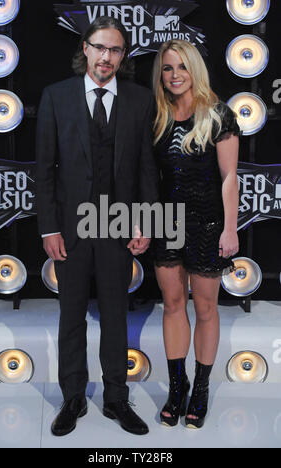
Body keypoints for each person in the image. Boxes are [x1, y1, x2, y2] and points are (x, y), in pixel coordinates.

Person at [36, 16, 159, 437]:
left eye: (116, 50)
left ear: (123, 57)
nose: (107, 57)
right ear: (85, 49)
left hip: (119, 226)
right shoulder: (56, 97)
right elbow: (45, 169)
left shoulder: (141, 100)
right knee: (70, 314)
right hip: (70, 229)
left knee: (115, 314)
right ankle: (72, 398)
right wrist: (48, 227)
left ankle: (115, 399)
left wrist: (145, 221)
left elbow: (147, 169)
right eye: (100, 47)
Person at [152, 40, 240, 429]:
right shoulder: (156, 115)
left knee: (205, 309)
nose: (174, 75)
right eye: (168, 68)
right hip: (165, 222)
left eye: (182, 67)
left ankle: (201, 389)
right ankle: (177, 386)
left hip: (207, 224)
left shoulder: (218, 114)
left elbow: (229, 177)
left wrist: (230, 228)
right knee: (173, 305)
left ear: (195, 70)